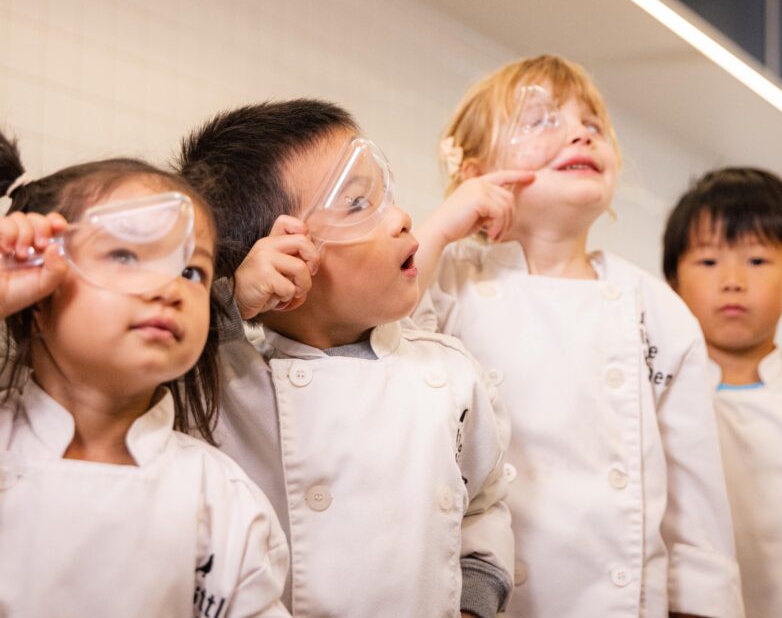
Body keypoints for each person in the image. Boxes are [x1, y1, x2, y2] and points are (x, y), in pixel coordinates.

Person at [412, 55, 743, 618]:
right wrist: (442, 225)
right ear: (473, 173)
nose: (579, 134)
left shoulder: (655, 310)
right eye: (540, 120)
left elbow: (697, 509)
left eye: (592, 124)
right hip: (474, 595)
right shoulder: (447, 279)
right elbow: (370, 328)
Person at [176, 99, 515, 618]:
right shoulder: (222, 375)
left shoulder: (448, 375)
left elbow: (483, 505)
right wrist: (229, 297)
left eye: (387, 196)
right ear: (283, 255)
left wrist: (474, 602)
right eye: (358, 205)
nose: (401, 218)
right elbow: (146, 371)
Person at [0, 133, 290, 618]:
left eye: (192, 272)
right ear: (38, 294)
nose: (168, 288)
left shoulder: (221, 498)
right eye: (126, 256)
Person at [663, 167, 782, 618]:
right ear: (673, 283)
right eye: (709, 262)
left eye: (757, 260)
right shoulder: (654, 399)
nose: (733, 280)